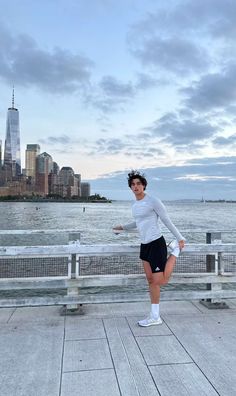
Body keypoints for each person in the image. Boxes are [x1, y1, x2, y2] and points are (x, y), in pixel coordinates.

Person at [113, 170, 185, 327]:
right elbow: (138, 223)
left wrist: (180, 238)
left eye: (138, 183)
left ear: (144, 185)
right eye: (133, 184)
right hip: (144, 246)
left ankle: (175, 252)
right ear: (130, 188)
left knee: (161, 280)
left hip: (156, 244)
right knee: (151, 281)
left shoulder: (153, 201)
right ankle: (154, 316)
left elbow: (166, 220)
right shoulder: (135, 205)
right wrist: (122, 227)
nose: (135, 186)